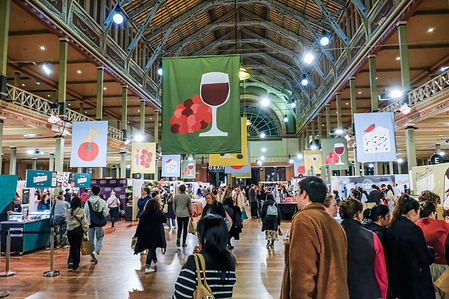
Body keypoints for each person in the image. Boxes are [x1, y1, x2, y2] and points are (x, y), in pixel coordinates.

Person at [280, 176, 349, 298]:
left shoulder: (304, 220)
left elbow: (303, 273)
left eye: (298, 192)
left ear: (305, 194)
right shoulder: (335, 224)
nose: (296, 197)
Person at [173, 215, 236, 298]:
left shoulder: (194, 262)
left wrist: (196, 259)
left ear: (201, 237)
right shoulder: (229, 260)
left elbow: (180, 296)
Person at [385, 195, 436, 299]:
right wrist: (430, 251)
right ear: (413, 211)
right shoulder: (414, 229)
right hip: (416, 281)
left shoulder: (391, 227)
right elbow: (424, 257)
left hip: (399, 281)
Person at [340, 198, 388, 299]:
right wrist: (383, 294)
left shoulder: (333, 235)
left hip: (341, 291)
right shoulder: (372, 237)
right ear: (358, 213)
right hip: (368, 291)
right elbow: (380, 271)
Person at [416, 201, 449, 299]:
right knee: (445, 294)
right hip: (443, 264)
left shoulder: (416, 225)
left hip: (425, 266)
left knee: (433, 294)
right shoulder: (442, 224)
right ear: (432, 213)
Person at [134, 199, 166, 274]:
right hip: (156, 234)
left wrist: (137, 235)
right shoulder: (159, 213)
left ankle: (155, 261)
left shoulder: (143, 214)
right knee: (152, 248)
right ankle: (147, 266)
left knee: (152, 247)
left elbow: (140, 226)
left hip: (145, 234)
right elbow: (164, 220)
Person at [84, 186, 109, 264]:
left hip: (90, 223)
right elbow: (106, 212)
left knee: (91, 239)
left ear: (91, 192)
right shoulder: (102, 201)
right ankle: (95, 252)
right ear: (99, 192)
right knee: (100, 237)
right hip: (99, 222)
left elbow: (85, 213)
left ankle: (92, 256)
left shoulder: (87, 202)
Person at [66, 196, 88, 271]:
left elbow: (67, 220)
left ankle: (70, 261)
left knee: (72, 246)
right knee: (77, 247)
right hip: (78, 230)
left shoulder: (67, 211)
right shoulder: (81, 211)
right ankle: (76, 264)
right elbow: (84, 222)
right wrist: (85, 231)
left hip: (69, 230)